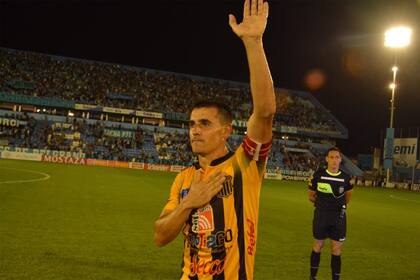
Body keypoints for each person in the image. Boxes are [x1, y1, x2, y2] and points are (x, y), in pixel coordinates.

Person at [153, 0, 276, 279]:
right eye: (192, 124)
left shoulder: (246, 164)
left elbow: (265, 113)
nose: (195, 130)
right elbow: (160, 236)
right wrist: (189, 203)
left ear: (226, 131)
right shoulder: (183, 179)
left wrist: (253, 42)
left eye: (205, 124)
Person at [308, 147, 353, 280]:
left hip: (338, 217)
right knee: (318, 246)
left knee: (336, 250)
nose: (334, 160)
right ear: (327, 159)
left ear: (340, 160)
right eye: (331, 157)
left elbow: (348, 197)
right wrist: (324, 205)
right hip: (321, 216)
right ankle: (312, 277)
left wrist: (336, 206)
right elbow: (311, 196)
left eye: (337, 157)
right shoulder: (318, 175)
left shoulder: (346, 178)